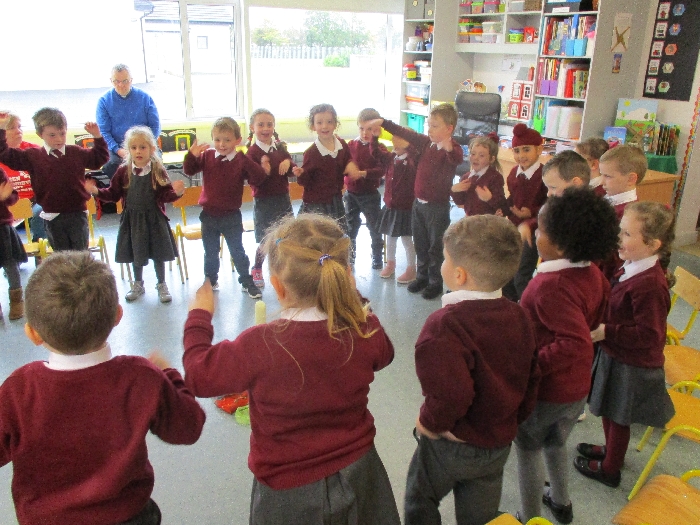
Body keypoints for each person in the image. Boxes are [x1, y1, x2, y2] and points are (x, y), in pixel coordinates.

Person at [182, 213, 400, 525]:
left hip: (287, 491)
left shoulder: (258, 344)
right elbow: (385, 354)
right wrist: (352, 300)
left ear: (277, 286)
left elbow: (198, 376)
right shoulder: (364, 329)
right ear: (345, 276)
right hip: (361, 474)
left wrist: (199, 318)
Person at [0, 251, 205, 525]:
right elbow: (189, 427)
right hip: (130, 516)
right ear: (117, 316)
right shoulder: (141, 376)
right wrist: (169, 375)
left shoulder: (19, 389)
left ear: (33, 333)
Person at [405, 214, 540, 525]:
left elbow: (451, 394)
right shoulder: (520, 315)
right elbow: (533, 377)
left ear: (459, 275)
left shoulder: (444, 326)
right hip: (498, 443)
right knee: (480, 517)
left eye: (445, 259)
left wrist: (429, 423)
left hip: (452, 445)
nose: (442, 264)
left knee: (419, 498)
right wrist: (510, 421)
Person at [515, 189, 619, 524]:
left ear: (559, 246)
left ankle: (529, 516)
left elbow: (575, 343)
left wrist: (532, 367)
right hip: (575, 389)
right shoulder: (593, 274)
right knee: (556, 443)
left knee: (528, 449)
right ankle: (561, 502)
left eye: (540, 230)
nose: (535, 235)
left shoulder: (551, 286)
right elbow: (593, 323)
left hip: (546, 390)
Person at [575, 202, 676, 488]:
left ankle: (610, 469)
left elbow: (650, 335)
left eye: (628, 234)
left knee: (619, 417)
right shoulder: (631, 265)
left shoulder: (650, 285)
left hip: (632, 364)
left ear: (653, 244)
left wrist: (607, 331)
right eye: (621, 231)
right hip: (616, 353)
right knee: (610, 409)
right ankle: (611, 451)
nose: (619, 239)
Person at [370, 104, 464, 299]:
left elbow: (456, 158)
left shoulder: (453, 149)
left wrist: (448, 148)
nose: (429, 130)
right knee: (420, 243)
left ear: (449, 128)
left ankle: (435, 282)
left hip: (437, 208)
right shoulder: (426, 143)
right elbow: (405, 132)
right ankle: (422, 277)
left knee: (434, 247)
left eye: (435, 126)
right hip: (418, 205)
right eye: (429, 125)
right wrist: (384, 123)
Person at [86, 126, 184, 304]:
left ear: (152, 149)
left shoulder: (157, 170)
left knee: (158, 252)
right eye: (134, 147)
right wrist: (96, 191)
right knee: (136, 251)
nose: (138, 151)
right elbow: (113, 194)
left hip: (154, 219)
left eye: (142, 147)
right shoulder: (123, 171)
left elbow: (165, 195)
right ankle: (138, 283)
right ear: (128, 150)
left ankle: (161, 284)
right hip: (133, 220)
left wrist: (177, 193)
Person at [183, 117, 270, 299]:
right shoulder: (207, 156)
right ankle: (210, 280)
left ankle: (246, 281)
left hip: (231, 216)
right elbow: (189, 170)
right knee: (210, 252)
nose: (221, 144)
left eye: (227, 140)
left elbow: (258, 179)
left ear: (237, 140)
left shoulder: (241, 160)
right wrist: (192, 155)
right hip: (209, 215)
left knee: (237, 251)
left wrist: (262, 168)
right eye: (217, 140)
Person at [0, 108, 109, 251]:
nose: (59, 139)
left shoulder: (75, 152)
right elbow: (5, 154)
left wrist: (97, 137)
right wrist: (2, 129)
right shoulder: (33, 156)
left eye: (62, 133)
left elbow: (99, 158)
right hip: (52, 216)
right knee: (60, 255)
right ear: (40, 134)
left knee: (80, 253)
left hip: (77, 214)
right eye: (52, 135)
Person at [245, 108, 295, 289]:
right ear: (252, 128)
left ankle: (284, 270)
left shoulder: (279, 148)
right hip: (264, 202)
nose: (265, 128)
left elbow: (291, 169)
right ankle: (257, 268)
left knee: (286, 236)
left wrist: (288, 162)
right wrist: (263, 170)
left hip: (283, 199)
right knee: (266, 239)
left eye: (269, 124)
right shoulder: (252, 153)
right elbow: (253, 180)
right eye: (261, 125)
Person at [292, 104, 360, 232]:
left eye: (329, 122)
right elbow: (305, 182)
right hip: (316, 203)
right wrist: (301, 173)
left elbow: (347, 159)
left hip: (335, 200)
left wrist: (350, 165)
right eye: (319, 122)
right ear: (313, 126)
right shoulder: (311, 153)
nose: (325, 126)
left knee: (336, 234)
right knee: (317, 235)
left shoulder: (341, 145)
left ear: (335, 124)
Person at [500, 123, 548, 301]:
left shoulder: (544, 175)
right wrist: (502, 208)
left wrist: (530, 214)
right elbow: (512, 198)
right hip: (514, 227)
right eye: (517, 151)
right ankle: (508, 302)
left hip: (532, 230)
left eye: (526, 150)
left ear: (539, 149)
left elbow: (548, 205)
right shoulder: (514, 172)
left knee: (522, 272)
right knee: (508, 267)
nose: (521, 156)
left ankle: (526, 306)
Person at [96, 64, 161, 180]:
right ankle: (124, 190)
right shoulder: (104, 101)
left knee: (154, 163)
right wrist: (118, 150)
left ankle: (146, 189)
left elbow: (155, 127)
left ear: (131, 80)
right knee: (111, 164)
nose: (121, 85)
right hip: (117, 148)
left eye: (125, 81)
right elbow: (104, 132)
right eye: (116, 81)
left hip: (144, 145)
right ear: (111, 81)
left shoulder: (145, 98)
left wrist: (144, 147)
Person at [345, 108, 387, 269]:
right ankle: (350, 256)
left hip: (370, 195)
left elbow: (381, 170)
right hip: (351, 194)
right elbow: (344, 164)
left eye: (369, 129)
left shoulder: (379, 148)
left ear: (377, 130)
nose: (364, 133)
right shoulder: (350, 145)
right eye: (361, 128)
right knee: (351, 226)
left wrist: (363, 173)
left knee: (374, 226)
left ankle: (377, 256)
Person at [599, 144, 647, 281]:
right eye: (601, 175)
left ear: (631, 179)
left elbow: (615, 259)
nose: (602, 182)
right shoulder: (605, 200)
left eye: (608, 176)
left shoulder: (628, 216)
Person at [373, 134, 418, 283]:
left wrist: (409, 145)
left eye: (400, 142)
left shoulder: (412, 160)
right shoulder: (391, 158)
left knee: (407, 239)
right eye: (394, 142)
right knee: (390, 238)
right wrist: (374, 137)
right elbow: (376, 152)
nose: (395, 145)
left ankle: (411, 268)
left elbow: (415, 153)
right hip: (391, 207)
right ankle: (390, 264)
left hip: (405, 208)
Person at [0, 112, 44, 242]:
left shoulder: (33, 151)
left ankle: (41, 249)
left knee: (42, 211)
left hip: (34, 206)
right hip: (6, 207)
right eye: (11, 128)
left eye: (19, 127)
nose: (18, 131)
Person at [450, 133, 506, 216]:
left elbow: (502, 205)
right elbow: (461, 202)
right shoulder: (466, 177)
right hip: (471, 219)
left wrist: (489, 198)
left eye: (481, 155)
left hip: (487, 221)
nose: (475, 158)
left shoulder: (495, 177)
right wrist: (454, 191)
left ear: (491, 159)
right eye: (473, 154)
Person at [0, 166, 27, 320]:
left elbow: (13, 196)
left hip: (2, 228)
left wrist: (6, 197)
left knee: (10, 265)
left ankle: (16, 302)